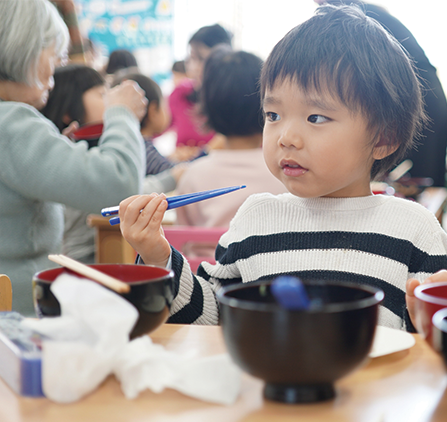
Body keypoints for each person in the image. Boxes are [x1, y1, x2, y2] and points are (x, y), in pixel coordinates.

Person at [118, 5, 447, 331]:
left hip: (370, 387)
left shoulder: (413, 229)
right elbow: (213, 313)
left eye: (316, 117)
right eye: (273, 115)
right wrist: (158, 255)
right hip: (266, 384)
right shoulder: (255, 219)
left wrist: (427, 325)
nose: (286, 138)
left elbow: (426, 347)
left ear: (384, 137)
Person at [0, 0, 147, 315]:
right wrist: (121, 114)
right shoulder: (11, 123)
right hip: (19, 320)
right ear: (22, 50)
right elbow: (118, 183)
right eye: (53, 53)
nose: (57, 64)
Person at [41, 65, 187, 263]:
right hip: (83, 266)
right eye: (102, 94)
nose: (110, 100)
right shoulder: (71, 156)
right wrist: (172, 177)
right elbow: (125, 191)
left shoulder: (72, 150)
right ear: (69, 109)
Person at [314, 0, 447, 187]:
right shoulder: (365, 11)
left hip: (420, 98)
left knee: (416, 184)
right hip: (429, 95)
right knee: (424, 181)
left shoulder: (349, 16)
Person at [175, 46, 287, 228]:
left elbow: (183, 242)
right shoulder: (284, 173)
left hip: (205, 258)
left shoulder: (193, 176)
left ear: (209, 106)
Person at [168, 24, 232, 162]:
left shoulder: (237, 100)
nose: (193, 67)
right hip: (185, 174)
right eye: (190, 59)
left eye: (201, 59)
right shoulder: (180, 94)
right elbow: (154, 129)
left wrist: (198, 156)